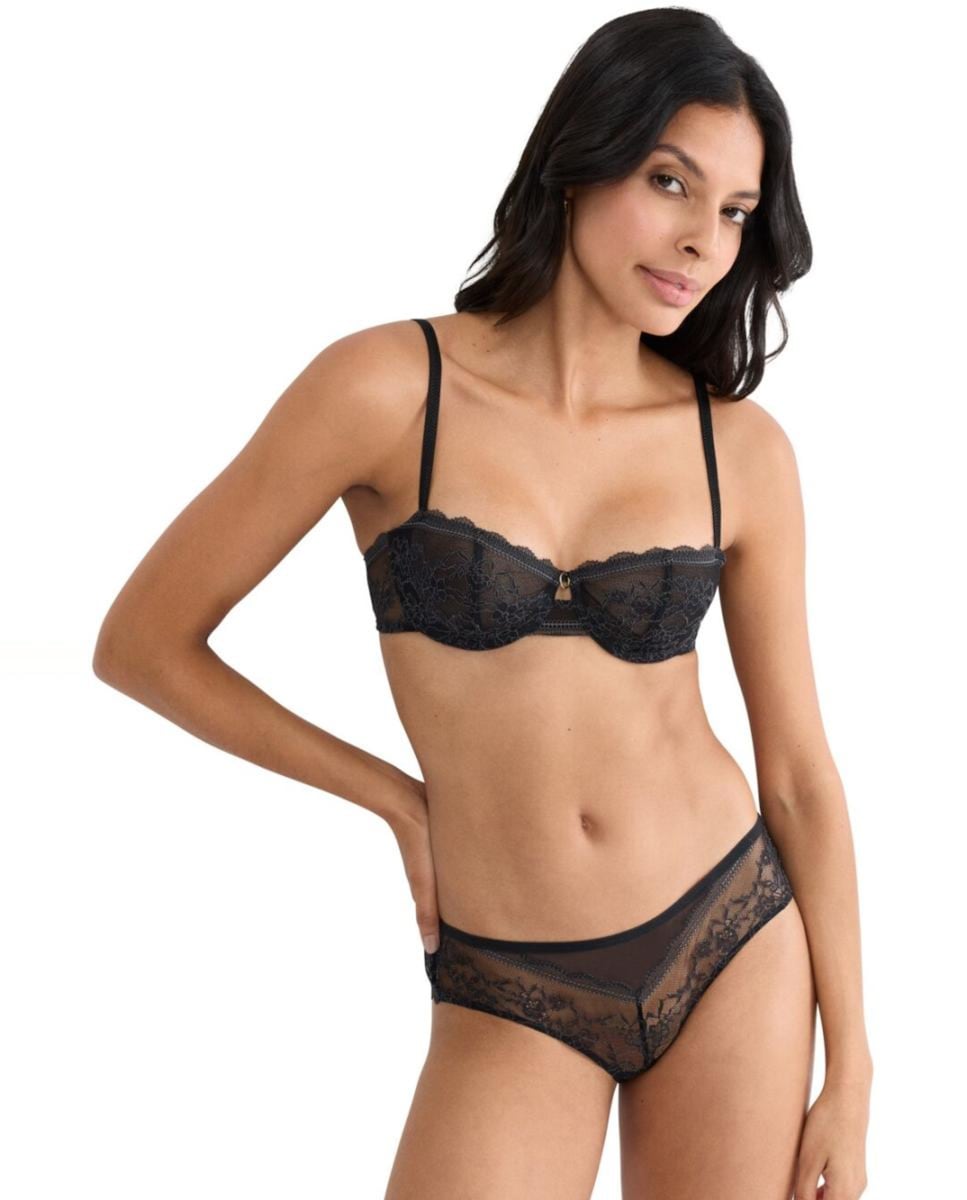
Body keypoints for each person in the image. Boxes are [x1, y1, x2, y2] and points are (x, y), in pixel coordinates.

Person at [93, 9, 872, 1199]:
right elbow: (143, 643)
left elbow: (801, 775)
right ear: (579, 160)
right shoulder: (388, 388)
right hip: (511, 973)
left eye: (732, 211)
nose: (700, 240)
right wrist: (396, 802)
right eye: (670, 182)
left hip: (729, 933)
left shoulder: (740, 451)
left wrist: (853, 1069)